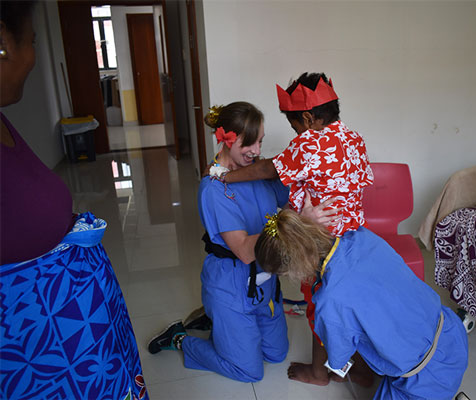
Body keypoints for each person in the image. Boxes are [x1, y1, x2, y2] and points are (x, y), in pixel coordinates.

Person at [0, 2, 145, 399]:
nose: (32, 57)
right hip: (36, 355)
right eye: (30, 41)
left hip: (74, 341)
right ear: (2, 41)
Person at [222, 72, 374, 386]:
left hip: (321, 245)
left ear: (307, 118)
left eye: (294, 126)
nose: (295, 133)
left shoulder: (309, 143)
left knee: (321, 307)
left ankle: (320, 373)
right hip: (357, 241)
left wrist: (224, 176)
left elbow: (268, 168)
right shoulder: (354, 138)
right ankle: (358, 367)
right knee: (348, 305)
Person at [255, 210, 469, 399]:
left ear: (294, 269)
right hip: (451, 334)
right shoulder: (360, 236)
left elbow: (338, 359)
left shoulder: (329, 301)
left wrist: (339, 368)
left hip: (423, 379)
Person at [147, 102, 289, 382]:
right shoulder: (213, 189)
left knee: (277, 354)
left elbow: (290, 194)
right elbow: (245, 251)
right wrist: (291, 226)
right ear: (227, 140)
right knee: (249, 371)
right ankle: (178, 338)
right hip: (232, 286)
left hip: (265, 284)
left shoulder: (259, 173)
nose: (258, 151)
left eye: (260, 142)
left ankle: (217, 324)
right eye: (249, 144)